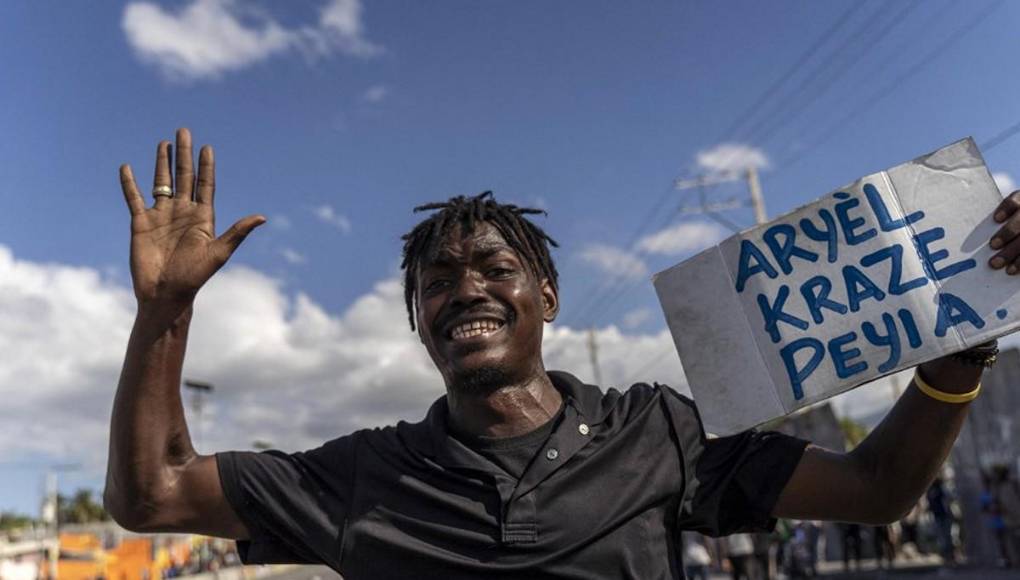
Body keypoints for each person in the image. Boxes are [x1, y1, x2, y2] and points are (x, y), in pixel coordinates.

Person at [104, 128, 1009, 579]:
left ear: (549, 298)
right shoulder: (362, 474)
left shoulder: (658, 433)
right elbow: (152, 495)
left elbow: (876, 490)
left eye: (497, 267)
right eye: (437, 281)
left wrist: (959, 352)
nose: (466, 288)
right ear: (420, 324)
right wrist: (166, 312)